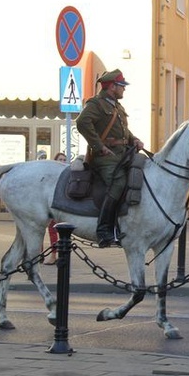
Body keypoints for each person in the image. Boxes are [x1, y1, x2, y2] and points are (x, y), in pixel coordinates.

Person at [76, 69, 144, 247]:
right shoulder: (96, 104)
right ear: (112, 86)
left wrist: (134, 139)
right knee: (119, 183)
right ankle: (104, 230)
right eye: (122, 86)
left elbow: (121, 130)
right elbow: (82, 122)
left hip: (122, 153)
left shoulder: (117, 106)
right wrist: (99, 147)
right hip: (105, 157)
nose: (124, 89)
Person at [43, 152, 68, 265]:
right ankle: (42, 254)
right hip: (51, 205)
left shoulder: (68, 174)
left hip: (62, 206)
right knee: (49, 231)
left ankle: (55, 254)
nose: (62, 162)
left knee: (59, 232)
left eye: (64, 160)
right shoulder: (51, 175)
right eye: (60, 160)